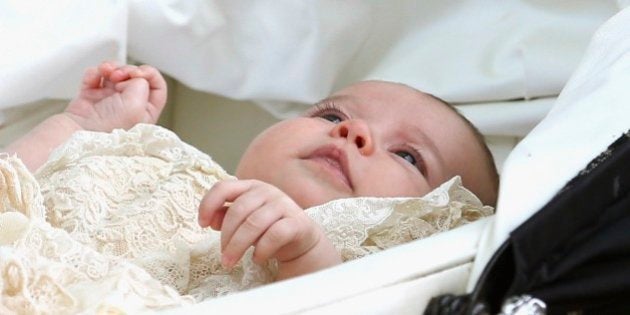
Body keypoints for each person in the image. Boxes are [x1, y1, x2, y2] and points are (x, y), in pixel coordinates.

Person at [4, 62, 499, 282]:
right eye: (332, 116)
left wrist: (305, 254)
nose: (355, 133)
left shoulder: (348, 268)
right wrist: (80, 127)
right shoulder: (169, 168)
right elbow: (15, 191)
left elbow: (342, 302)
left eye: (408, 156)